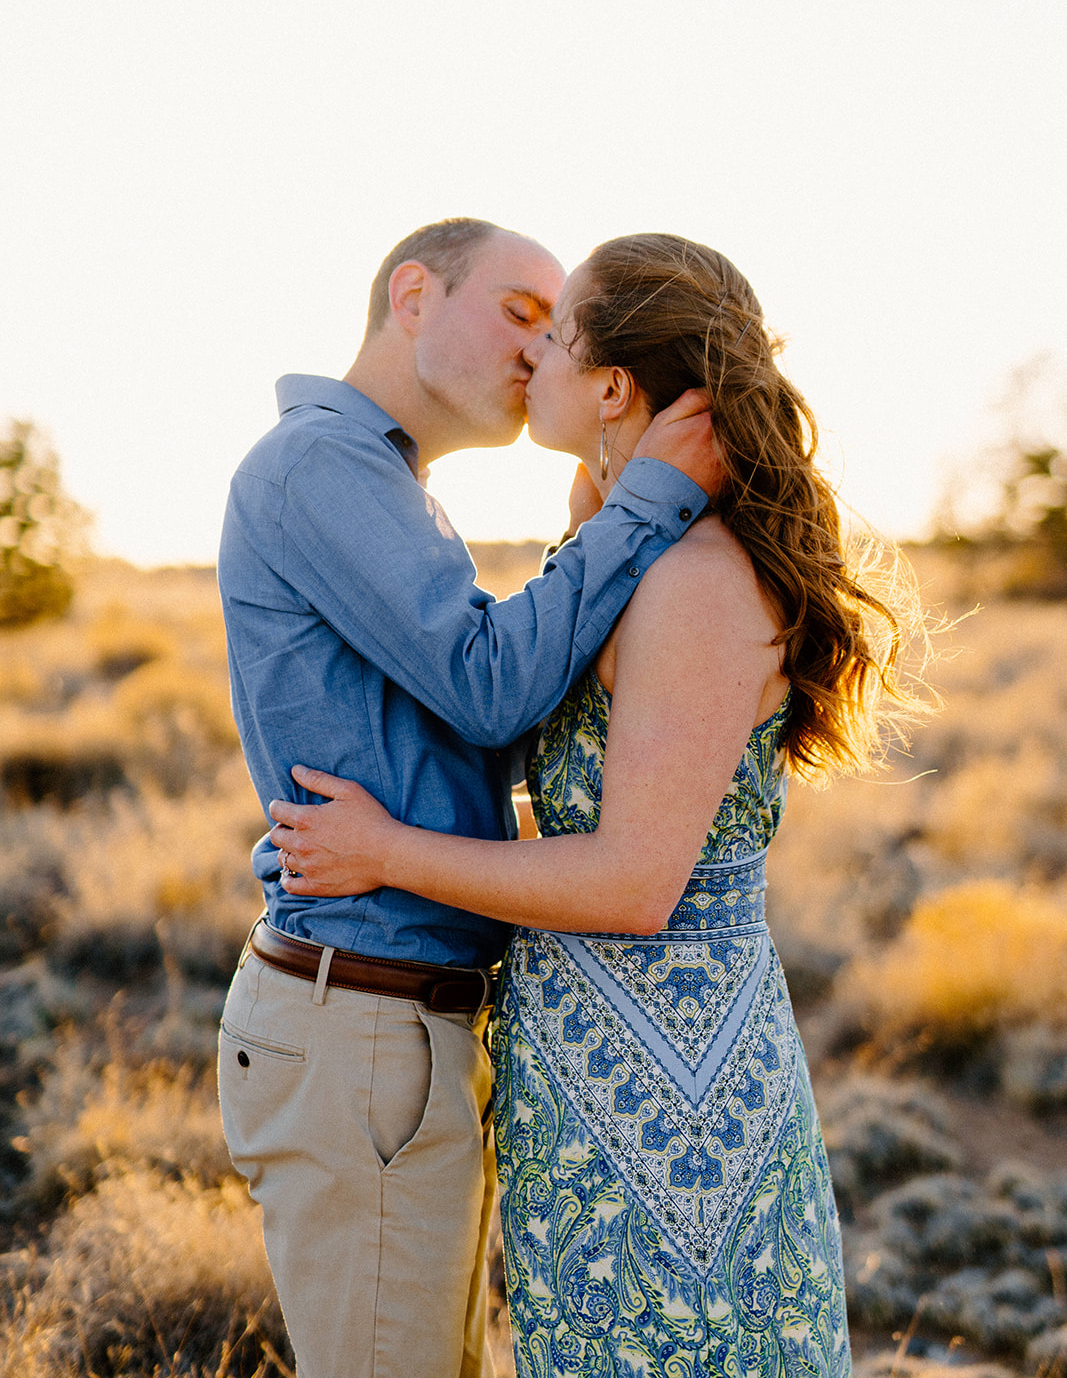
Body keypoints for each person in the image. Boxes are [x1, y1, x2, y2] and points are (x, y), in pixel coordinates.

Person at [268, 233, 929, 1378]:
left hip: (676, 1111)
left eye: (557, 332)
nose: (534, 354)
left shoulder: (695, 584)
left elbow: (629, 881)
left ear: (613, 385)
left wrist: (387, 851)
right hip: (586, 1083)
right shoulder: (631, 545)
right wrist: (612, 487)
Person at [216, 218, 721, 1378]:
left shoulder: (387, 482)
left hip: (394, 1019)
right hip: (361, 1021)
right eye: (516, 311)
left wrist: (594, 517)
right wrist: (645, 502)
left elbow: (476, 702)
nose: (536, 349)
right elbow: (490, 685)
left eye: (555, 328)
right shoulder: (321, 466)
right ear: (410, 295)